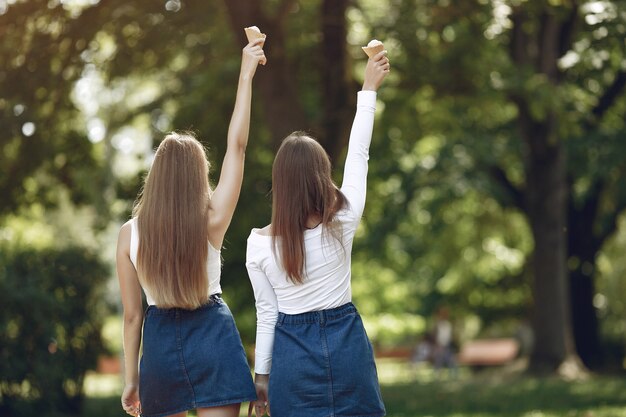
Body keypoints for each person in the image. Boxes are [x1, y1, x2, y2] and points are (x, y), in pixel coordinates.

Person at [116, 37, 266, 417]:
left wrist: (131, 378)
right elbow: (238, 147)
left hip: (160, 348)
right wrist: (246, 76)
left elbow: (133, 316)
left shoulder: (128, 235)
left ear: (157, 178)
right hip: (213, 339)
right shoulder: (211, 221)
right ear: (199, 177)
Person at [245, 50, 390, 417]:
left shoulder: (259, 245)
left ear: (280, 183)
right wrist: (368, 88)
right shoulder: (343, 219)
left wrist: (262, 377)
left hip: (292, 359)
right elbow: (359, 153)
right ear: (321, 175)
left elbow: (267, 314)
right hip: (349, 351)